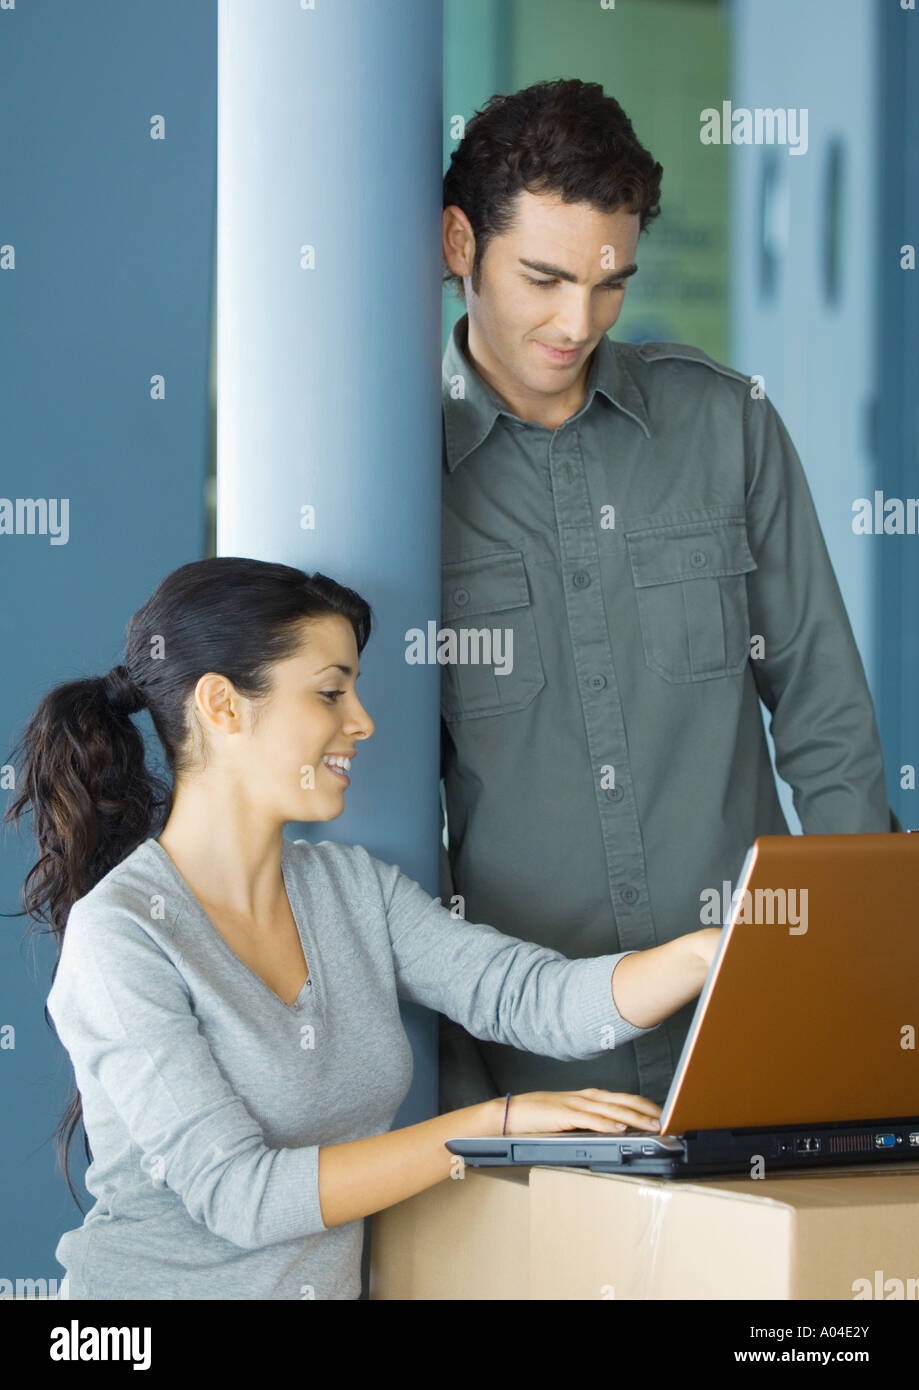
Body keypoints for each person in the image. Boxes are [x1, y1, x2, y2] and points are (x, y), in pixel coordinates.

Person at [5, 556, 720, 1301]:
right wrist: (494, 1124)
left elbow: (528, 998)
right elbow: (239, 1196)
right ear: (221, 706)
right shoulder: (121, 935)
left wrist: (709, 954)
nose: (363, 721)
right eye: (329, 692)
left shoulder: (350, 889)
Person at [437, 78, 898, 1116]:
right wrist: (456, 1087)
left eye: (609, 283)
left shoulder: (726, 425)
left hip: (754, 1020)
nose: (577, 321)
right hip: (526, 1064)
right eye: (543, 278)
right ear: (460, 244)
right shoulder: (401, 478)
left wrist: (843, 980)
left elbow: (825, 718)